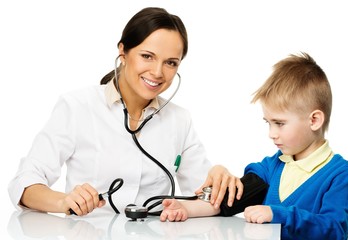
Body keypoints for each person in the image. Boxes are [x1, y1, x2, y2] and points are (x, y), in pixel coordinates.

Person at [8, 7, 241, 216]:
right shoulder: (77, 106)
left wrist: (217, 176)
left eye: (171, 62)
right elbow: (24, 183)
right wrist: (64, 201)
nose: (158, 72)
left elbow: (203, 196)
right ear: (123, 52)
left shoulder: (180, 120)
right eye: (147, 56)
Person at [160, 52, 348, 240]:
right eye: (268, 123)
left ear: (314, 120)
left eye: (280, 123)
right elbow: (229, 201)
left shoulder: (340, 175)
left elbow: (334, 230)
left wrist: (278, 214)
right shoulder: (271, 167)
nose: (271, 134)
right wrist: (186, 209)